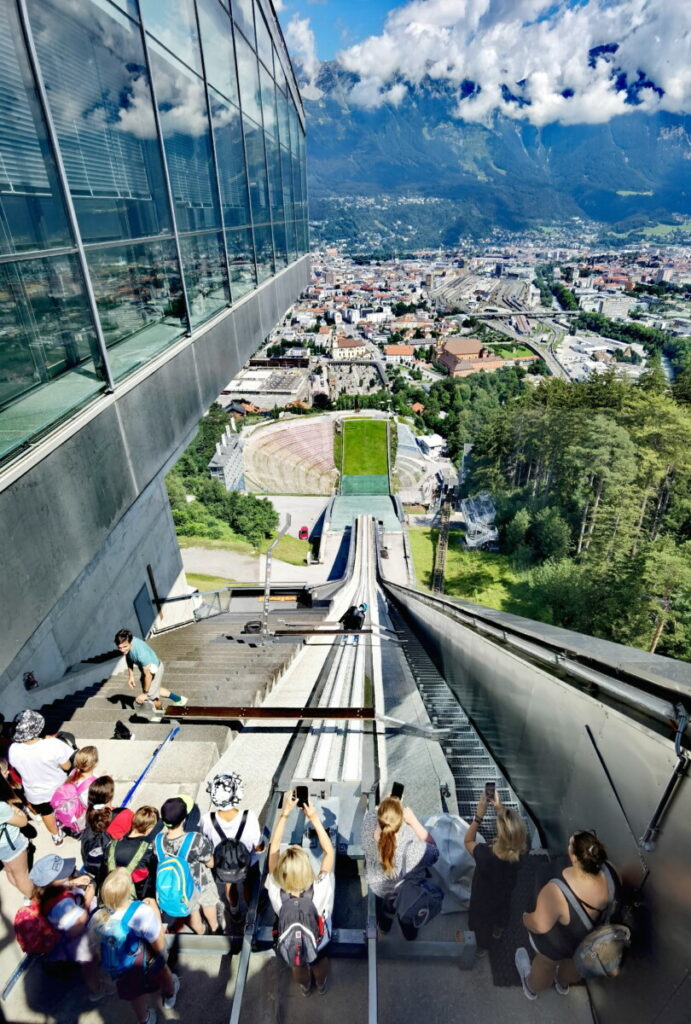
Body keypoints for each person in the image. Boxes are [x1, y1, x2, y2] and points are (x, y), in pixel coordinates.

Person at [515, 830, 620, 1000]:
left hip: (560, 944)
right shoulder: (612, 872)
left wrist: (525, 918)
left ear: (575, 858)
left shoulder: (557, 890)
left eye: (570, 845)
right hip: (590, 939)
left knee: (546, 964)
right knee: (575, 962)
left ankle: (531, 987)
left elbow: (540, 925)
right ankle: (563, 985)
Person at [90, 867, 179, 1024]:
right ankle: (170, 995)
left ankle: (145, 1019)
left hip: (121, 966)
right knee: (164, 972)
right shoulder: (141, 911)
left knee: (134, 993)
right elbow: (155, 937)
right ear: (128, 891)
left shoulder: (98, 915)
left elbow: (94, 943)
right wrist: (154, 909)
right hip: (144, 958)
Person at [266, 791, 335, 995]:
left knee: (297, 965)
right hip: (319, 939)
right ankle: (321, 985)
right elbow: (329, 852)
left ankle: (305, 988)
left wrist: (285, 813)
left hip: (291, 940)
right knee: (319, 962)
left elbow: (274, 850)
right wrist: (313, 817)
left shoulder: (275, 887)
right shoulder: (320, 885)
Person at [22, 854, 105, 1001]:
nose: (69, 873)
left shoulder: (44, 890)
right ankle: (97, 991)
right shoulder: (62, 905)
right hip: (76, 941)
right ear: (52, 882)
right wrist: (88, 899)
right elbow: (76, 930)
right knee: (89, 966)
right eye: (63, 874)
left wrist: (73, 882)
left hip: (60, 927)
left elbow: (60, 886)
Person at [361, 793, 433, 939]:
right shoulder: (410, 844)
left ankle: (384, 929)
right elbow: (434, 851)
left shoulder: (369, 821)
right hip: (406, 891)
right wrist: (413, 821)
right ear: (401, 824)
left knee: (384, 911)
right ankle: (409, 936)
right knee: (407, 915)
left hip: (379, 888)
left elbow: (376, 817)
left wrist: (386, 807)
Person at [464, 791, 527, 954]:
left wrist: (479, 815)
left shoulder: (485, 855)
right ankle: (498, 931)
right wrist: (499, 807)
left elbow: (468, 840)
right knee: (502, 912)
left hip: (483, 898)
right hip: (503, 895)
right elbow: (511, 835)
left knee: (480, 923)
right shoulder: (520, 853)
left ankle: (481, 947)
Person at [200, 772, 263, 924]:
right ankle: (249, 913)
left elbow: (206, 841)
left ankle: (234, 911)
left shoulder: (207, 819)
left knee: (229, 884)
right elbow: (258, 847)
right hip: (246, 863)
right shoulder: (250, 816)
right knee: (247, 884)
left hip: (223, 865)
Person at [8, 711, 73, 844]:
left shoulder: (13, 748)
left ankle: (56, 836)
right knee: (68, 808)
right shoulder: (52, 744)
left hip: (35, 793)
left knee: (46, 812)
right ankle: (72, 826)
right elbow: (67, 766)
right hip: (59, 788)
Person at [156, 796, 219, 934]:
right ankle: (214, 928)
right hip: (200, 880)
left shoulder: (158, 840)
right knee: (208, 902)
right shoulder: (195, 839)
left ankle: (201, 931)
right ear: (184, 818)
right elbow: (210, 862)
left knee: (192, 909)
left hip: (178, 886)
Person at [114, 629, 187, 716]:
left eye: (125, 647)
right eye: (119, 647)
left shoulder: (142, 655)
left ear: (130, 642)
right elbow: (128, 657)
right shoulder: (128, 642)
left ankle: (160, 714)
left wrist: (145, 694)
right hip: (146, 668)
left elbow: (148, 676)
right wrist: (131, 676)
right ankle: (179, 699)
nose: (122, 650)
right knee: (154, 690)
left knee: (152, 696)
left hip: (153, 670)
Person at [81, 776, 134, 882]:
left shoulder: (90, 813)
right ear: (110, 797)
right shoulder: (124, 815)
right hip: (117, 863)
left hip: (99, 868)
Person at [105, 806, 161, 900]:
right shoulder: (147, 851)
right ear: (149, 830)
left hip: (111, 895)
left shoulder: (111, 845)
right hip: (135, 900)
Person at [50, 745, 99, 836]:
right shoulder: (92, 785)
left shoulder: (73, 773)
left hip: (70, 808)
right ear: (95, 764)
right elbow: (90, 805)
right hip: (81, 815)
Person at [0, 800, 33, 898]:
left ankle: (25, 892)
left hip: (2, 847)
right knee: (22, 876)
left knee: (10, 871)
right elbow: (23, 822)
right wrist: (13, 807)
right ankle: (34, 898)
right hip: (11, 845)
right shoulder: (1, 806)